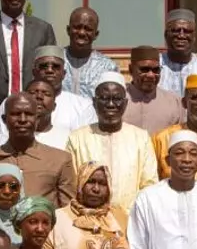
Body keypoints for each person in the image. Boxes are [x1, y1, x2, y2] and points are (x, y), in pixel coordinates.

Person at [64, 72, 159, 213]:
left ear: (125, 103)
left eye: (117, 99)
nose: (110, 104)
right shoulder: (77, 138)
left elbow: (149, 185)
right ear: (94, 103)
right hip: (86, 220)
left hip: (129, 221)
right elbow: (70, 184)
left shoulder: (141, 138)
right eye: (104, 98)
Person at [0, 92, 75, 207]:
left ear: (37, 119)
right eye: (16, 114)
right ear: (4, 119)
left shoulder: (60, 160)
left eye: (28, 114)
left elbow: (67, 211)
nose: (22, 119)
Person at [5, 48, 96, 149]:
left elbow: (87, 145)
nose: (49, 70)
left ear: (64, 74)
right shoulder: (13, 102)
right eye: (43, 66)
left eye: (56, 67)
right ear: (34, 72)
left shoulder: (83, 106)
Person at [59, 6, 117, 99]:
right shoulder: (55, 61)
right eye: (77, 27)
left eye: (88, 29)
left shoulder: (107, 67)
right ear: (68, 30)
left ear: (96, 34)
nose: (81, 32)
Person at [123, 45, 183, 133]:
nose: (151, 75)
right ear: (131, 70)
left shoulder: (174, 102)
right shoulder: (117, 100)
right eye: (144, 69)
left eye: (156, 70)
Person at [159, 8, 197, 97]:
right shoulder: (154, 67)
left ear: (194, 36)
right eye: (175, 30)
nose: (181, 35)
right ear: (166, 34)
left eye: (187, 31)